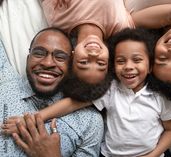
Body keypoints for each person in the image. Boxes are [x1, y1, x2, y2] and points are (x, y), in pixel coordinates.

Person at [4, 28, 171, 157]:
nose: (128, 67)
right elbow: (75, 103)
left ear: (150, 67)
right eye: (120, 61)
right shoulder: (111, 91)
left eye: (137, 60)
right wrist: (36, 118)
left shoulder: (159, 97)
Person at [40, 0, 171, 88]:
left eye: (84, 62)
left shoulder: (58, 19)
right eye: (100, 63)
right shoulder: (122, 28)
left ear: (73, 56)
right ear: (109, 60)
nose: (93, 55)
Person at [0, 27, 104, 157]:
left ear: (72, 66)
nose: (48, 63)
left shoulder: (90, 122)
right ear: (28, 59)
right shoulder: (4, 78)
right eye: (39, 53)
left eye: (60, 57)